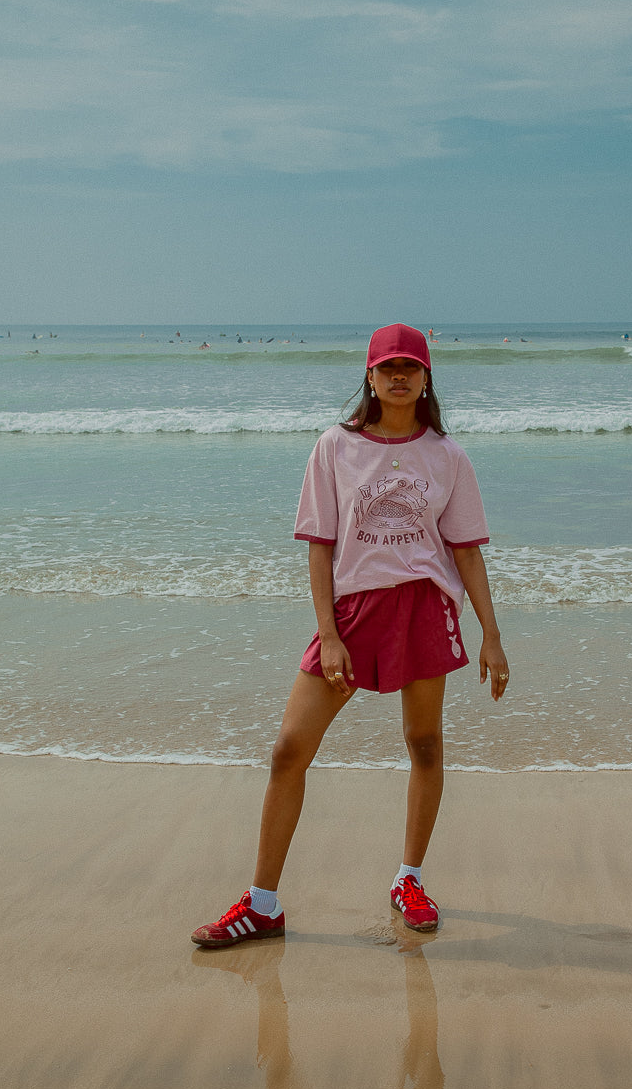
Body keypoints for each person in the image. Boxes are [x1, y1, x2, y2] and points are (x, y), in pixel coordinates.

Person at [191, 324, 509, 948]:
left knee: (423, 744)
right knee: (289, 750)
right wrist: (328, 633)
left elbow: (466, 551)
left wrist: (492, 636)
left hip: (423, 607)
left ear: (424, 378)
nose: (398, 376)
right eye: (387, 366)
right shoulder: (334, 447)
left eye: (410, 367)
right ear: (369, 375)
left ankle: (408, 879)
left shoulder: (448, 456)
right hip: (353, 613)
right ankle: (262, 905)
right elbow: (320, 545)